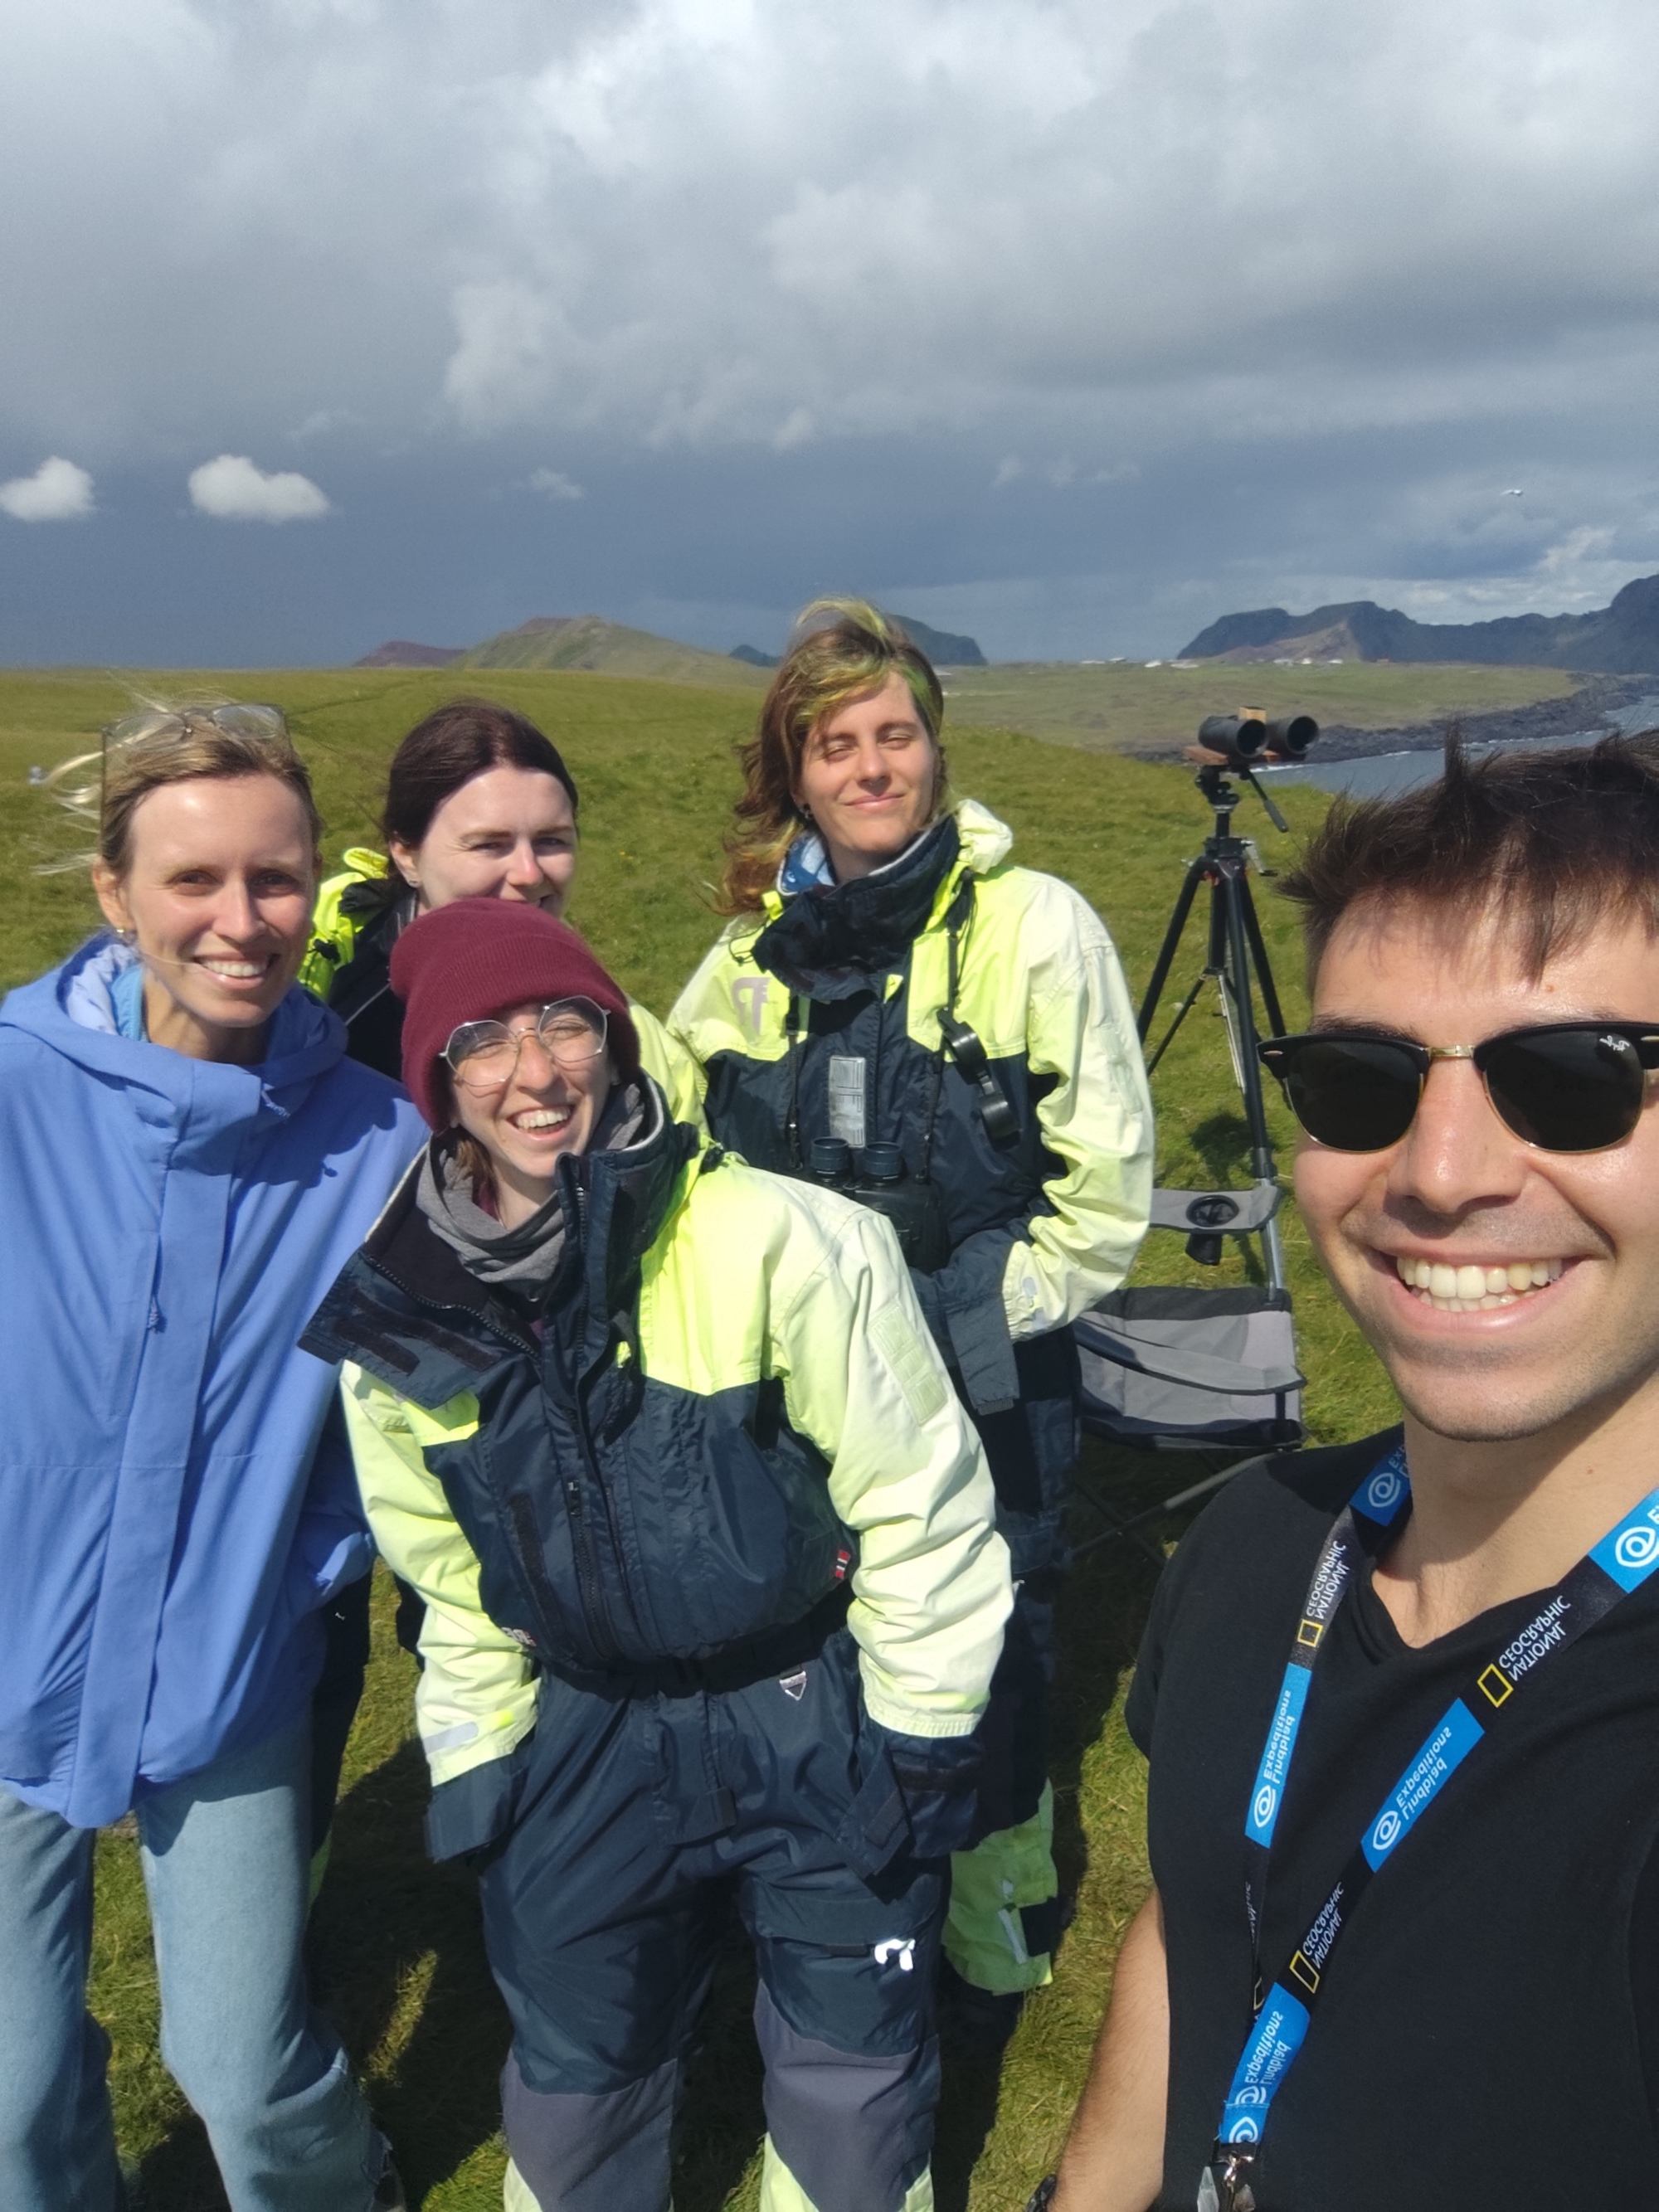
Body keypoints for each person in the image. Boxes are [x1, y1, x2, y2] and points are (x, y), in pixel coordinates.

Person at [302, 897, 1013, 2212]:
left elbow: (923, 1496)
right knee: (577, 2087)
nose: (536, 1069)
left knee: (853, 2096)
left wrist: (919, 1731)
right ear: (437, 1079)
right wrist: (479, 1753)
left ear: (616, 1043)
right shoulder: (400, 1314)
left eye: (565, 1022)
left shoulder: (786, 1236)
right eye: (484, 1038)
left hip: (809, 1710)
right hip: (581, 1735)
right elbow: (447, 1576)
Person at [1046, 733, 1659, 2212]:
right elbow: (1200, 1923)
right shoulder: (1263, 1533)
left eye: (1574, 1080)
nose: (1440, 1170)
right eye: (1360, 1079)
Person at [668, 601, 1153, 2025]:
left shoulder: (1036, 927)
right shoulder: (757, 956)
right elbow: (681, 1138)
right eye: (839, 744)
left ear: (936, 750)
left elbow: (1109, 1198)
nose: (874, 767)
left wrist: (960, 1313)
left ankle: (994, 1919)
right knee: (815, 1629)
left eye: (898, 736)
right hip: (807, 1395)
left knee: (1004, 1632)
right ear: (797, 771)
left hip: (991, 1378)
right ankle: (833, 1886)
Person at [0, 705, 425, 2211]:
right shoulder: (12, 1086)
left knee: (242, 2063)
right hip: (6, 1652)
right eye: (193, 881)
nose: (240, 923)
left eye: (275, 878)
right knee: (10, 2082)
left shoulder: (374, 1140)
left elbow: (381, 1429)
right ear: (115, 893)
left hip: (226, 1670)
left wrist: (289, 1572)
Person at [298, 694, 697, 1709]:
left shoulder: (610, 1024)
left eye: (551, 841)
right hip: (355, 1418)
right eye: (488, 843)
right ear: (402, 851)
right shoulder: (333, 1032)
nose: (527, 873)